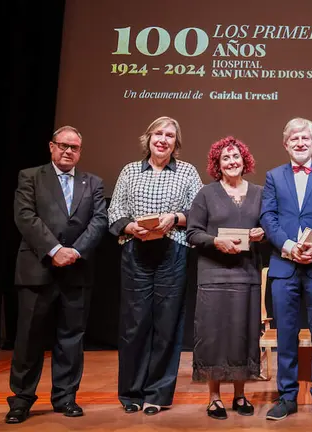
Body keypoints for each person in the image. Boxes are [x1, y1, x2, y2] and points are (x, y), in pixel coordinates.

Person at [6, 126, 107, 424]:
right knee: (29, 338)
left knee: (71, 338)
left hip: (77, 271)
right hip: (38, 268)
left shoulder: (94, 183)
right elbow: (24, 215)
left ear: (80, 152)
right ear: (51, 147)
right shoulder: (30, 176)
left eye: (74, 147)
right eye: (63, 145)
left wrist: (75, 252)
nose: (68, 151)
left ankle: (65, 397)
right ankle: (21, 399)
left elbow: (99, 219)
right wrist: (54, 249)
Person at [108, 116, 203, 415]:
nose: (163, 139)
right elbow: (115, 210)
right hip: (135, 250)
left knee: (167, 325)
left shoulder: (187, 171)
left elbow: (199, 211)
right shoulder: (130, 171)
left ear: (176, 143)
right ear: (148, 139)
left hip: (172, 253)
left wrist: (174, 218)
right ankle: (131, 393)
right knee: (135, 325)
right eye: (158, 134)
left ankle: (158, 394)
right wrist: (131, 226)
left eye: (170, 135)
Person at [260, 118, 312, 422]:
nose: (299, 142)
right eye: (293, 138)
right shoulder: (273, 176)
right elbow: (268, 217)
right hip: (284, 266)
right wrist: (287, 245)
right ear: (286, 144)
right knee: (286, 335)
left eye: (305, 138)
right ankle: (287, 397)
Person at [186, 137, 265, 420]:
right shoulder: (206, 194)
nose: (232, 162)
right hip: (213, 274)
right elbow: (192, 233)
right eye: (225, 159)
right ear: (217, 165)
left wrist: (261, 233)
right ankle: (214, 397)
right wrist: (216, 241)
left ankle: (240, 395)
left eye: (236, 157)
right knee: (213, 336)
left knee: (242, 334)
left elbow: (268, 226)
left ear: (245, 160)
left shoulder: (259, 193)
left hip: (247, 274)